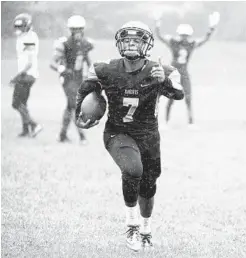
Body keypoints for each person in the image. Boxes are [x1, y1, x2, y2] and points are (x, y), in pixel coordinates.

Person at [75, 21, 184, 251]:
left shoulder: (160, 70)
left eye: (137, 40)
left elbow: (178, 94)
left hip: (149, 136)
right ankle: (132, 226)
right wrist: (80, 113)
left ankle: (145, 229)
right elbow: (85, 89)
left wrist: (162, 81)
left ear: (147, 45)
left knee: (148, 185)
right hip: (118, 132)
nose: (132, 44)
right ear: (120, 44)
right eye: (127, 40)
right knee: (133, 170)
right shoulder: (107, 69)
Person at [155, 11, 220, 124]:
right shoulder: (174, 42)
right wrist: (157, 24)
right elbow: (160, 36)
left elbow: (204, 40)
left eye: (186, 35)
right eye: (183, 35)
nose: (184, 37)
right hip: (174, 73)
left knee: (188, 98)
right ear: (180, 34)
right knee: (171, 97)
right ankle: (166, 121)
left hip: (184, 73)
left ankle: (190, 122)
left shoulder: (190, 43)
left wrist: (211, 29)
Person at [50, 15, 95, 143]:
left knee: (70, 106)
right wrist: (62, 69)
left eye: (80, 29)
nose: (77, 32)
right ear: (70, 30)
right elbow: (52, 63)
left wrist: (92, 74)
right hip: (67, 79)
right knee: (75, 105)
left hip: (79, 78)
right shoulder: (64, 43)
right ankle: (82, 137)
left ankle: (62, 136)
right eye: (75, 29)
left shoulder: (85, 44)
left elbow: (87, 60)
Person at [9, 13, 43, 137]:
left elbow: (29, 62)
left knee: (16, 103)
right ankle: (26, 130)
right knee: (23, 103)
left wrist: (17, 76)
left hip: (27, 75)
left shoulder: (29, 38)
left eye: (22, 27)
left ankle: (34, 125)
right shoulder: (26, 37)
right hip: (29, 75)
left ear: (27, 26)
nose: (19, 29)